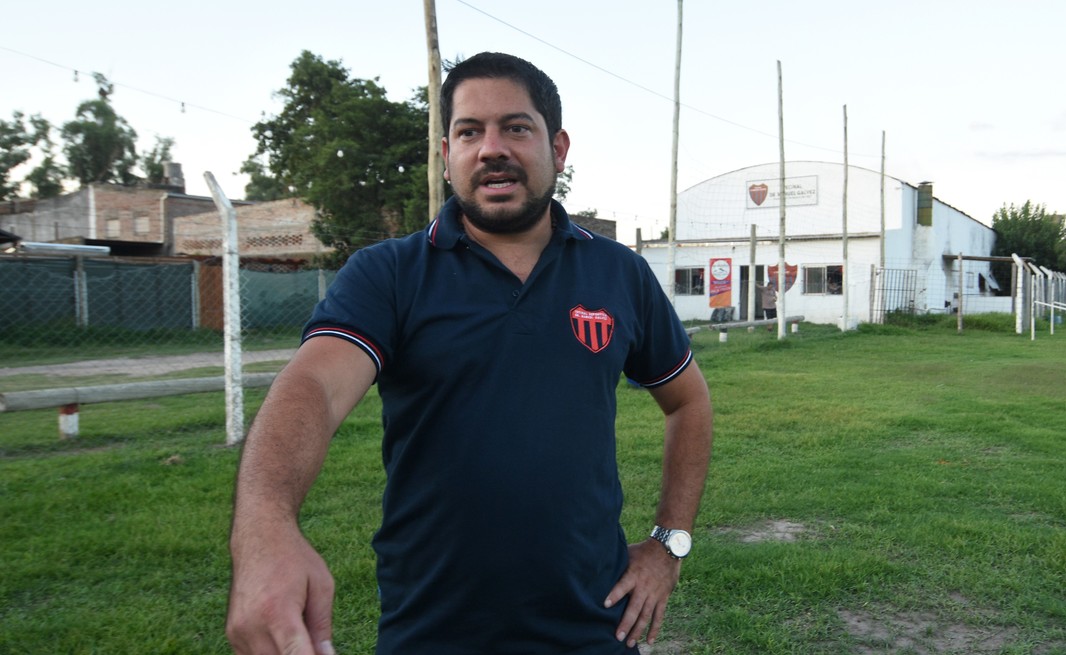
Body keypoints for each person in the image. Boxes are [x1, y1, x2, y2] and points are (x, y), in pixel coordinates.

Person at [225, 52, 713, 655]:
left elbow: (688, 401)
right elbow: (315, 388)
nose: (491, 149)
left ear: (558, 148)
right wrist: (266, 524)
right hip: (432, 630)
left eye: (516, 127)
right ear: (446, 153)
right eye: (469, 132)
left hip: (596, 625)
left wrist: (669, 544)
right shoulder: (390, 274)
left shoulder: (620, 273)